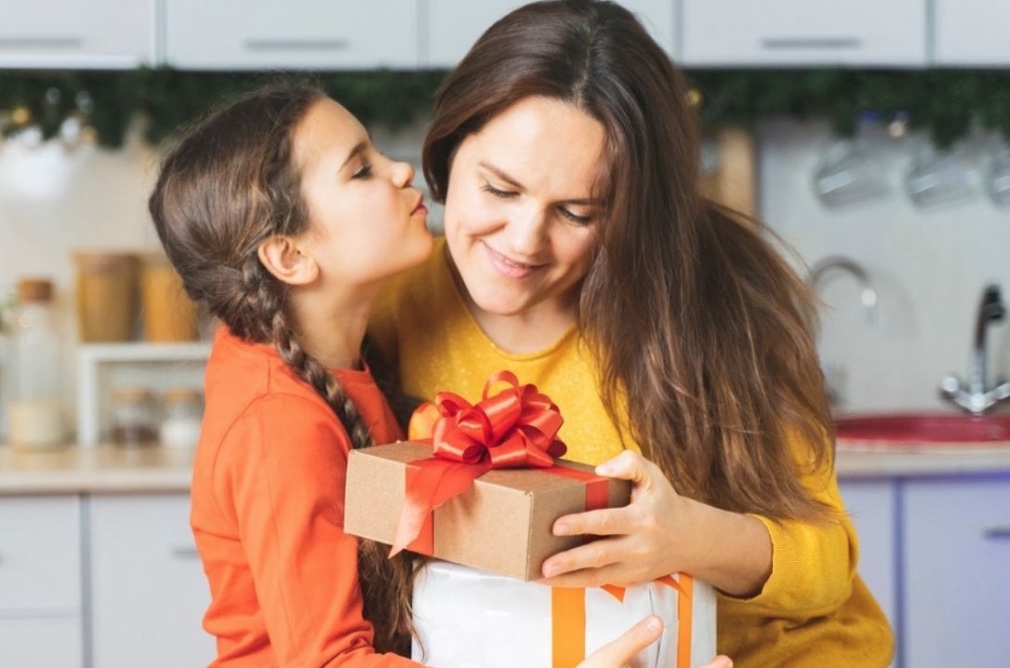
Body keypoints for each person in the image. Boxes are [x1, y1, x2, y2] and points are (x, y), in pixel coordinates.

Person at [369, 1, 895, 666]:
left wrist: (687, 538)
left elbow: (826, 569)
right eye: (500, 189)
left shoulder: (715, 303)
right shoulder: (387, 305)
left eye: (576, 211)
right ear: (449, 150)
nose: (524, 239)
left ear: (630, 213)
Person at [149, 83, 729, 668]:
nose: (401, 170)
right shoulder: (278, 423)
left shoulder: (323, 360)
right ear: (291, 256)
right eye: (360, 171)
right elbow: (328, 661)